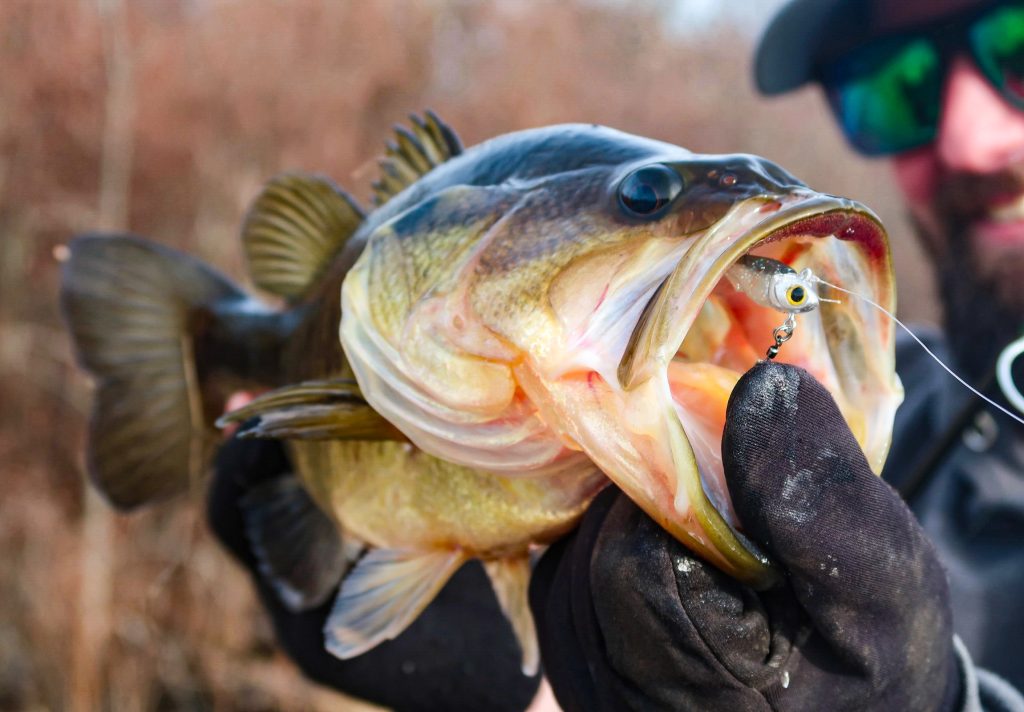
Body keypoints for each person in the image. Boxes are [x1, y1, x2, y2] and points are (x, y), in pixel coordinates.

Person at [208, 1, 1024, 709]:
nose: (967, 138)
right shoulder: (880, 407)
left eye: (1017, 41)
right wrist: (537, 694)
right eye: (894, 87)